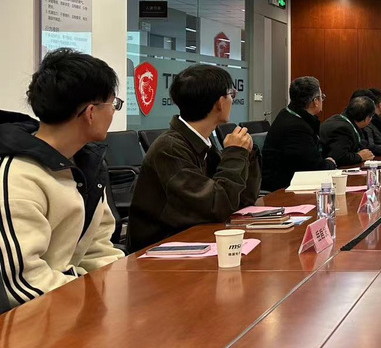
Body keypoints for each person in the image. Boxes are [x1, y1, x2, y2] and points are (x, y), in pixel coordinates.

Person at [0, 49, 124, 304]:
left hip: (73, 301)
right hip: (36, 316)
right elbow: (23, 284)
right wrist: (90, 299)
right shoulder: (18, 176)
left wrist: (121, 289)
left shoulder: (86, 165)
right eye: (114, 104)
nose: (114, 112)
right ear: (91, 113)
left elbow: (99, 249)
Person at [128, 64, 261, 252]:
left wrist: (247, 154)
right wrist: (235, 154)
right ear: (220, 103)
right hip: (162, 250)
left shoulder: (201, 141)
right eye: (231, 94)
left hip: (194, 240)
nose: (232, 99)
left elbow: (242, 200)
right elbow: (217, 206)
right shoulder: (170, 148)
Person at [261, 76, 335, 191]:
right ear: (315, 101)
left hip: (294, 181)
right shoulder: (296, 127)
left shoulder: (290, 115)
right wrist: (330, 163)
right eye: (322, 97)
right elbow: (314, 167)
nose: (322, 100)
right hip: (283, 189)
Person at [320, 96, 377, 166]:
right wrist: (359, 156)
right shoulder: (343, 129)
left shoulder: (340, 119)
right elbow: (340, 157)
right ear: (367, 118)